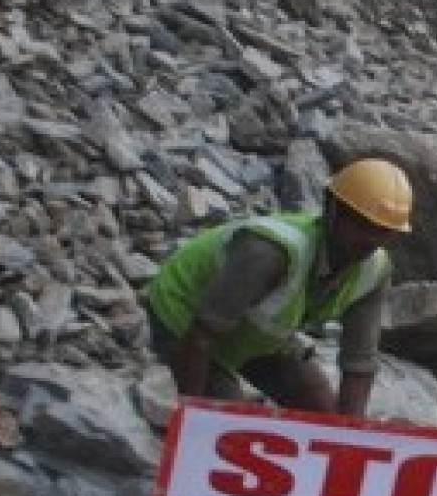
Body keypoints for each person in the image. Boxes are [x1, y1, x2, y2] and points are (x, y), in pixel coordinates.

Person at [144, 157, 413, 418]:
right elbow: (201, 337)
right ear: (332, 209)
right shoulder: (269, 252)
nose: (370, 239)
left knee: (325, 415)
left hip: (253, 337)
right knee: (231, 431)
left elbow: (359, 363)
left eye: (383, 231)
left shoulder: (373, 271)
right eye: (361, 225)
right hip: (184, 318)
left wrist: (348, 441)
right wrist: (194, 416)